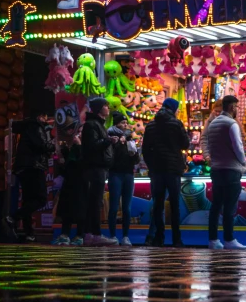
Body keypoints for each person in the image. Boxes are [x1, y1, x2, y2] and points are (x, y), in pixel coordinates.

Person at [142, 97, 189, 248]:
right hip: (173, 169)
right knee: (175, 205)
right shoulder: (176, 124)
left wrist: (152, 165)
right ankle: (176, 239)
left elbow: (145, 150)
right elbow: (185, 144)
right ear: (173, 109)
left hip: (156, 170)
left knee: (158, 205)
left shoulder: (150, 125)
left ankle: (158, 237)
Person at [6, 110, 55, 242]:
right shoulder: (36, 126)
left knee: (28, 200)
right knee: (41, 198)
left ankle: (29, 233)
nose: (45, 119)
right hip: (33, 166)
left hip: (24, 167)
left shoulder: (27, 127)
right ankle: (14, 217)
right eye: (45, 116)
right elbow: (42, 145)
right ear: (39, 116)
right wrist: (54, 145)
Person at [206, 95, 246, 250]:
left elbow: (210, 146)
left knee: (216, 205)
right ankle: (229, 239)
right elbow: (238, 146)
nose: (237, 110)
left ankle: (213, 239)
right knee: (230, 206)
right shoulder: (232, 124)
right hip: (231, 169)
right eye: (237, 107)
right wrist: (243, 162)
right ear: (232, 107)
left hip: (216, 169)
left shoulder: (213, 124)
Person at [80, 97, 118, 247]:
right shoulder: (91, 125)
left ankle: (90, 234)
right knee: (95, 202)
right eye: (106, 106)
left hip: (99, 168)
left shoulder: (97, 124)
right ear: (99, 108)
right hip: (95, 168)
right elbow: (92, 146)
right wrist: (109, 141)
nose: (108, 108)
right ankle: (95, 234)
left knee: (95, 202)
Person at [107, 112, 139, 246]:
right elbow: (110, 156)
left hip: (128, 174)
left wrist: (133, 154)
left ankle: (125, 236)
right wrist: (119, 143)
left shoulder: (129, 137)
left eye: (126, 122)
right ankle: (113, 235)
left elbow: (136, 159)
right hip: (115, 174)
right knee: (114, 207)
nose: (125, 124)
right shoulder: (110, 136)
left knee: (127, 208)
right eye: (122, 122)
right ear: (116, 124)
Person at [53, 132, 84, 246]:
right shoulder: (69, 146)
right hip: (69, 181)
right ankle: (64, 234)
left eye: (81, 132)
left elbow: (83, 163)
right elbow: (65, 165)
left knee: (80, 208)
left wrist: (79, 146)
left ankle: (80, 235)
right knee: (67, 208)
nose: (78, 134)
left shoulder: (85, 147)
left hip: (82, 181)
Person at [200, 98, 223, 164]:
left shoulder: (231, 120)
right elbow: (204, 138)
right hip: (213, 158)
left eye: (220, 111)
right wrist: (206, 155)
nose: (217, 113)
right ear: (213, 110)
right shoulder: (209, 121)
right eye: (216, 111)